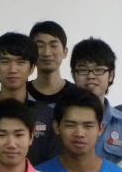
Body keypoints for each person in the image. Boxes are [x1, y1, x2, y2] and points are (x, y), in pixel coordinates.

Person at [0, 32, 55, 165]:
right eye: (5, 62)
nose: (13, 69)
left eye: (21, 62)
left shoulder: (47, 115)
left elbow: (53, 161)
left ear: (32, 68)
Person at [69, 38, 122, 163]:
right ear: (73, 74)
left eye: (99, 70)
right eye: (83, 70)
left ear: (111, 75)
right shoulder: (61, 118)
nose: (91, 76)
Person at [26, 21, 87, 159]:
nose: (47, 53)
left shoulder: (77, 96)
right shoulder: (21, 93)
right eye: (39, 46)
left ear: (65, 52)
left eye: (53, 45)